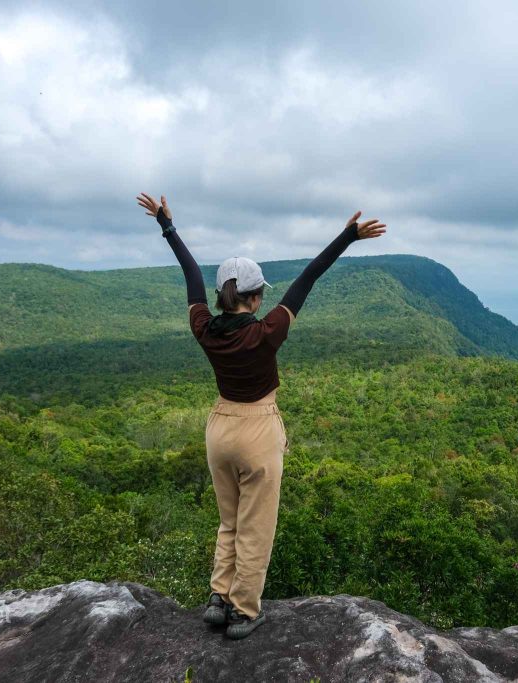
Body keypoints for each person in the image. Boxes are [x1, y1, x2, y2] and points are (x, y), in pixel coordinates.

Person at [135, 192, 386, 639]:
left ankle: (218, 596)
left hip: (219, 428)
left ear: (220, 296)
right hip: (258, 428)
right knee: (257, 526)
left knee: (229, 519)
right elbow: (308, 278)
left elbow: (190, 275)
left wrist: (167, 226)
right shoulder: (267, 332)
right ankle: (244, 610)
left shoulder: (204, 328)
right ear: (254, 298)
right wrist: (348, 236)